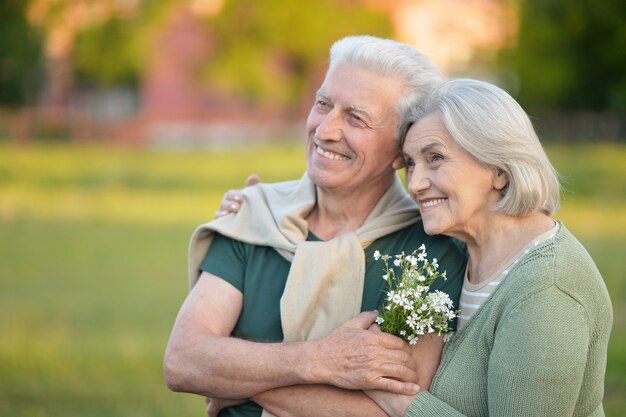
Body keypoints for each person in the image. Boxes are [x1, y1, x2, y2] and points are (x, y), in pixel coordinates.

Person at [163, 35, 468, 417]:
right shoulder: (256, 215)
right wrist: (318, 360)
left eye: (356, 118)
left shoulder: (431, 253)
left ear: (400, 150)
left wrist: (236, 384)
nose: (324, 130)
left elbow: (394, 412)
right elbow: (184, 361)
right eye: (323, 104)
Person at [362, 78, 612, 416]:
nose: (416, 184)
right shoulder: (457, 255)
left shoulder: (547, 288)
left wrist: (401, 402)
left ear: (499, 169)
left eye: (435, 158)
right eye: (410, 164)